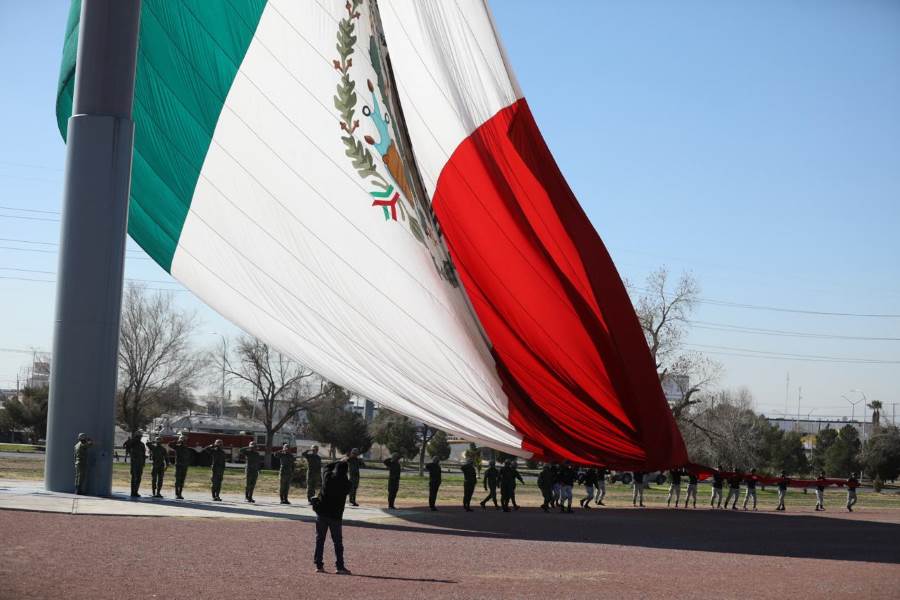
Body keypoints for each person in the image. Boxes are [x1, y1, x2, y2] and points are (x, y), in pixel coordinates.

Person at [313, 458, 352, 575]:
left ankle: (319, 565)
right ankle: (339, 566)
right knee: (338, 542)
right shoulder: (347, 484)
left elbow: (326, 467)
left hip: (322, 513)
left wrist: (338, 461)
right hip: (336, 516)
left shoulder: (328, 478)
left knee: (320, 540)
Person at [123, 431, 146, 498]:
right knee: (134, 477)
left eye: (140, 437)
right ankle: (133, 492)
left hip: (140, 463)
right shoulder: (132, 442)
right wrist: (131, 440)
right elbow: (126, 445)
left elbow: (143, 454)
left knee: (139, 478)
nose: (139, 438)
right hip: (134, 462)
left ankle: (136, 491)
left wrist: (143, 462)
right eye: (138, 437)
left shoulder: (142, 444)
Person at [169, 434, 192, 500]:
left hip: (185, 466)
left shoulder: (186, 448)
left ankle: (180, 494)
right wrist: (177, 441)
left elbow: (188, 457)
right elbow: (170, 444)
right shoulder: (177, 447)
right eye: (183, 440)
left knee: (182, 480)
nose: (184, 441)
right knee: (178, 480)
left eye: (185, 440)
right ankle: (177, 494)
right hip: (179, 466)